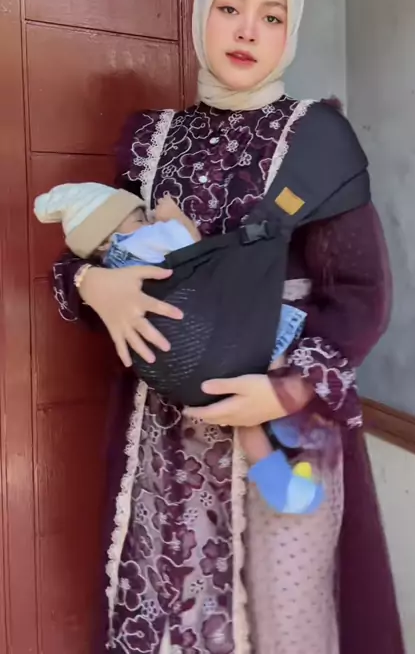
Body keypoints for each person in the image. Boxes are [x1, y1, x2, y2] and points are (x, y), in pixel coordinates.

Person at [52, 0, 405, 654]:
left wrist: (284, 392)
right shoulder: (154, 142)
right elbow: (99, 253)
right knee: (171, 612)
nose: (248, 30)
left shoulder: (317, 142)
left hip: (283, 425)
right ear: (199, 16)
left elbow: (362, 297)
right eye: (229, 6)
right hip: (167, 434)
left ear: (289, 32)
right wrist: (97, 285)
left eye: (271, 16)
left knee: (286, 621)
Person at [35, 181, 323, 515]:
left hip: (183, 372)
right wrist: (174, 217)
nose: (148, 220)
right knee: (271, 354)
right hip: (220, 338)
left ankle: (281, 487)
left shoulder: (113, 270)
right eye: (138, 218)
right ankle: (285, 429)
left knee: (246, 422)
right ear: (108, 239)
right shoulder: (143, 242)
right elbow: (195, 249)